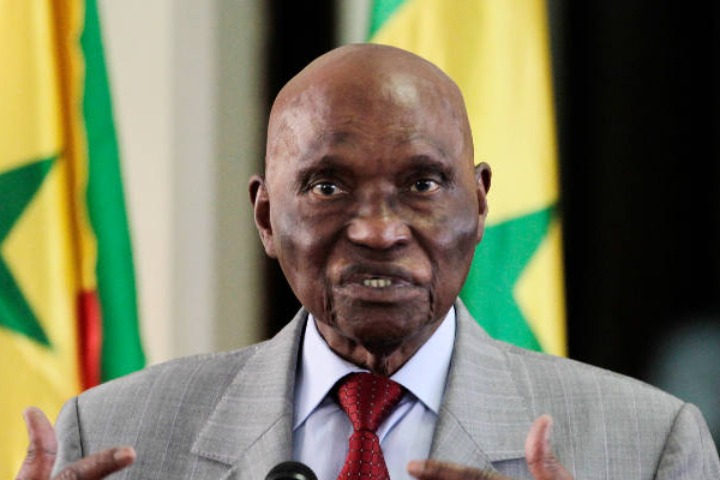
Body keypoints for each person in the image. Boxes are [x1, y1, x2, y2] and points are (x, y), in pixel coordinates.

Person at [17, 44, 719, 480]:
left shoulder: (649, 446)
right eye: (328, 187)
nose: (379, 231)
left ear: (479, 205)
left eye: (423, 184)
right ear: (265, 216)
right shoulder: (114, 435)